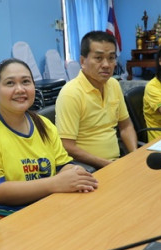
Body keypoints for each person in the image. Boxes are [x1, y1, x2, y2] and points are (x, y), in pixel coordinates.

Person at [0, 58, 98, 217]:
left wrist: (76, 172)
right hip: (9, 218)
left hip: (52, 207)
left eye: (26, 82)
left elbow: (62, 164)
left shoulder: (44, 124)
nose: (20, 89)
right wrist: (54, 184)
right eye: (10, 83)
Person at [55, 31, 137, 170]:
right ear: (83, 61)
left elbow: (126, 126)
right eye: (98, 58)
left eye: (111, 58)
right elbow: (67, 146)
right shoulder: (71, 93)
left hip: (116, 163)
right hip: (88, 169)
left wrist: (135, 155)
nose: (106, 64)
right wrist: (108, 165)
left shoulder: (114, 84)